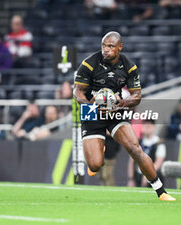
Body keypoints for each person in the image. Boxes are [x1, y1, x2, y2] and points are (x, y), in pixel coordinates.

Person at [73, 31, 175, 201]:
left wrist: (123, 103)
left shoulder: (129, 66)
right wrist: (89, 105)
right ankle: (99, 149)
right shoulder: (89, 64)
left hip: (115, 110)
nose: (106, 50)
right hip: (92, 111)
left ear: (120, 47)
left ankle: (161, 191)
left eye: (110, 46)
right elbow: (77, 91)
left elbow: (137, 96)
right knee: (95, 165)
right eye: (104, 46)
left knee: (135, 149)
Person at [128, 120, 166, 187]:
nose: (147, 127)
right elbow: (131, 161)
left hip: (153, 177)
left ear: (154, 127)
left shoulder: (159, 143)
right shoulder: (137, 142)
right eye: (145, 124)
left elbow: (158, 163)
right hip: (138, 176)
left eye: (150, 125)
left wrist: (147, 176)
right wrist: (131, 179)